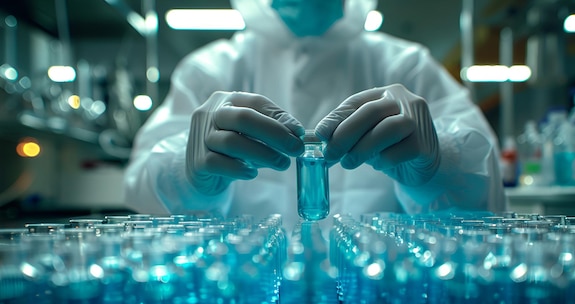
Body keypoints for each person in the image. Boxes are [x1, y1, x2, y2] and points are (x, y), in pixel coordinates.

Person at [123, 0, 506, 230]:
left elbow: (489, 199)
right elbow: (140, 191)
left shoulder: (406, 66)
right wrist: (184, 174)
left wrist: (441, 165)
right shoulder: (210, 71)